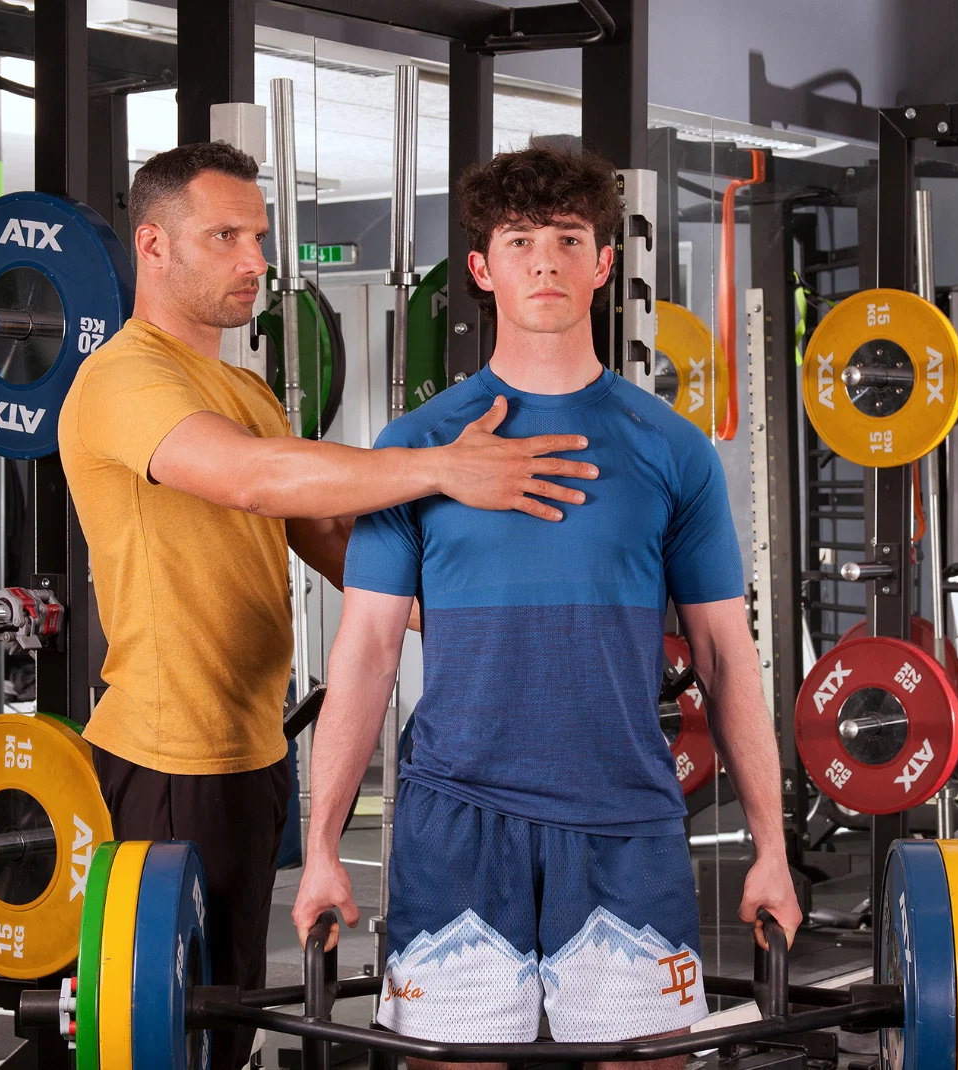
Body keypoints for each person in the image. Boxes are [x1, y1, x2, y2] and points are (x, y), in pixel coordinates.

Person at [56, 140, 598, 1070]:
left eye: (258, 236)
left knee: (222, 1020)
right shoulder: (121, 378)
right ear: (153, 246)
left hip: (255, 750)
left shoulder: (242, 386)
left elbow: (323, 538)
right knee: (160, 1037)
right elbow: (257, 481)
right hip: (166, 754)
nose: (255, 260)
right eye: (224, 236)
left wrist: (468, 613)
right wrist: (444, 468)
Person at [292, 145, 801, 1066]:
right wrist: (322, 843)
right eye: (519, 240)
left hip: (626, 820)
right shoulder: (417, 447)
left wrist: (770, 844)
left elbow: (727, 655)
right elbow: (364, 654)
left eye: (569, 238)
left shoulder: (670, 450)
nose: (545, 261)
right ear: (481, 269)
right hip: (455, 822)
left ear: (604, 262)